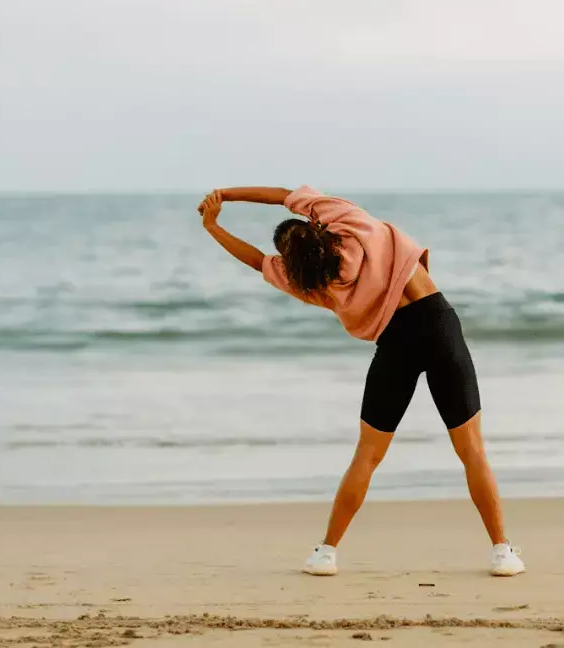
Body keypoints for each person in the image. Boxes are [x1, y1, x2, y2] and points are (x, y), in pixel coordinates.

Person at [197, 185, 525, 578]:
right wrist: (226, 194)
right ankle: (502, 551)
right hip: (438, 326)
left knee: (367, 455)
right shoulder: (351, 224)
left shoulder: (308, 283)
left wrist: (212, 226)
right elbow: (286, 194)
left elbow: (255, 261)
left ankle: (326, 553)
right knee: (471, 451)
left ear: (289, 261)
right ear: (315, 223)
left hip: (395, 342)